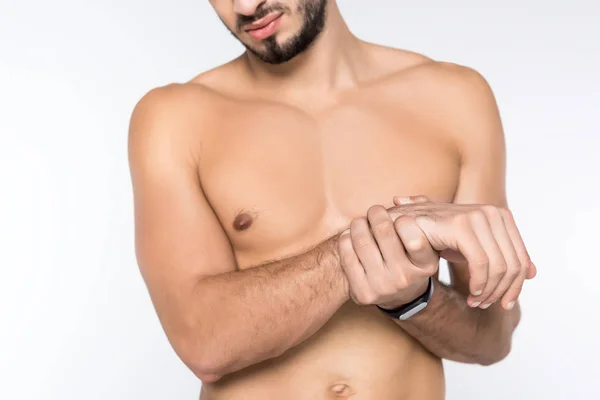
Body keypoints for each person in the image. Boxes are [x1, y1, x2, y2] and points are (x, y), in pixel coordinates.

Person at [127, 1, 537, 399]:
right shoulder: (175, 119)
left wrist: (414, 299)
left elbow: (491, 340)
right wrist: (375, 245)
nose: (246, 6)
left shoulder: (455, 98)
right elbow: (203, 343)